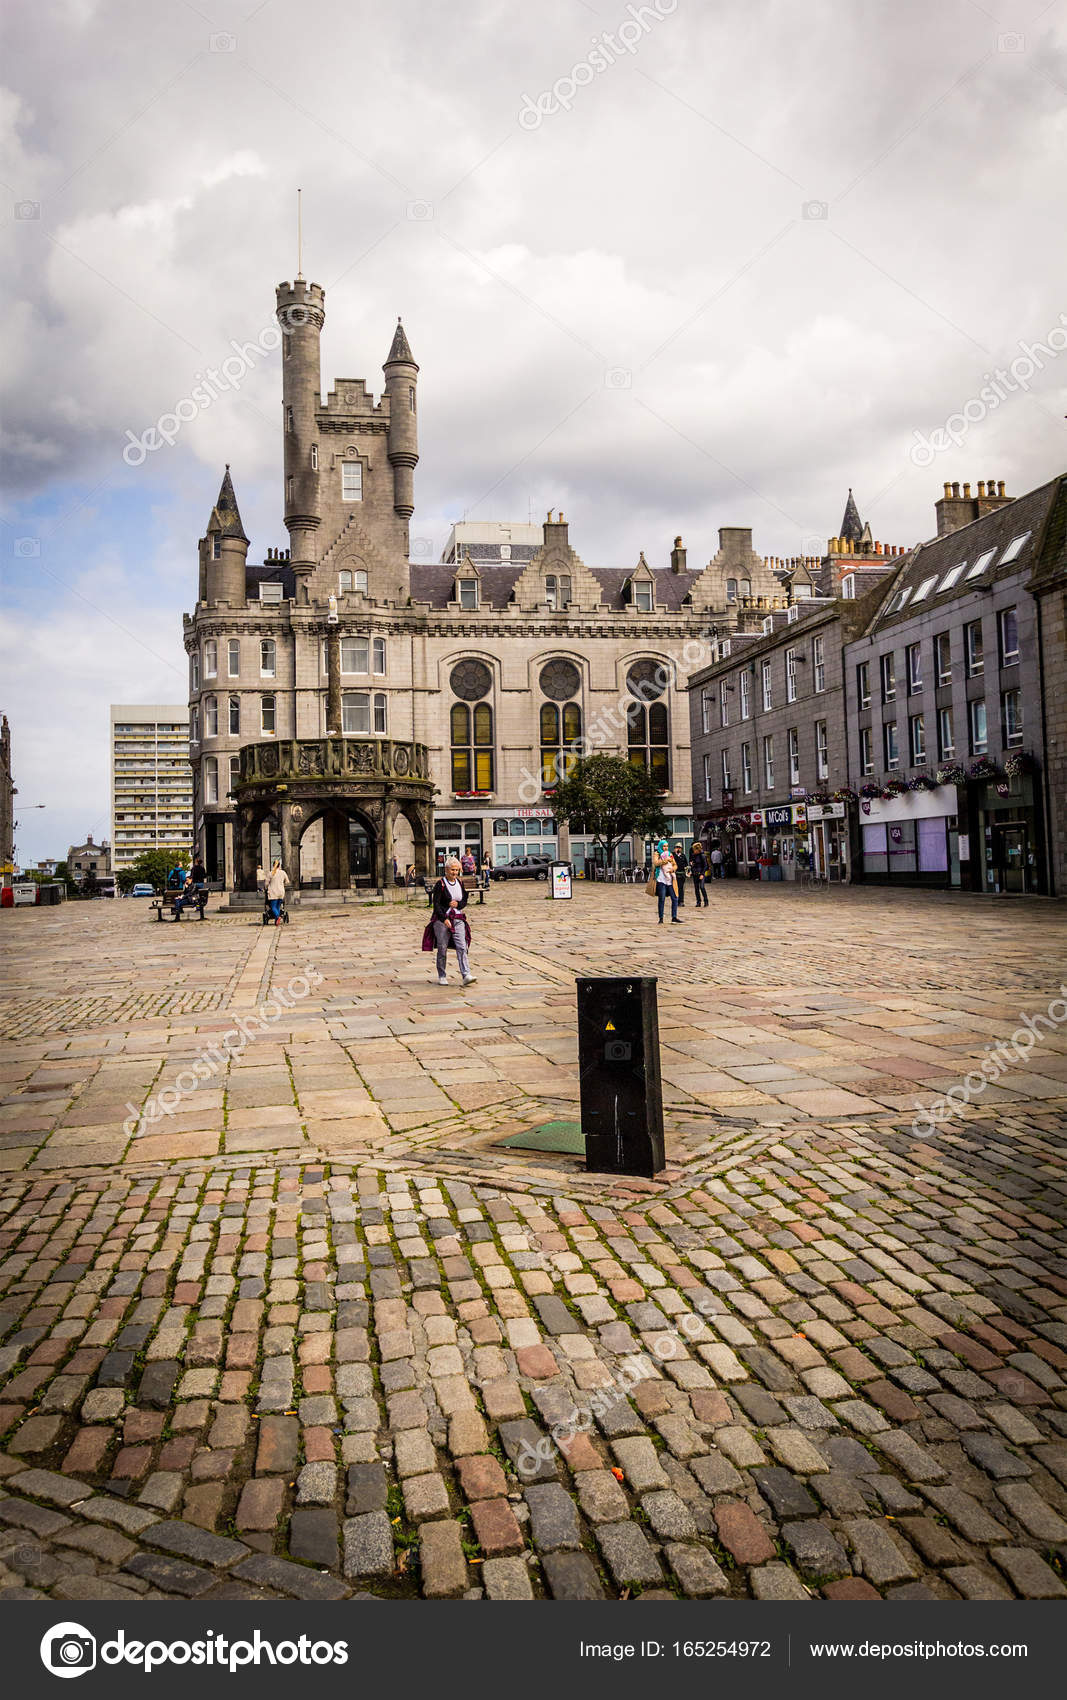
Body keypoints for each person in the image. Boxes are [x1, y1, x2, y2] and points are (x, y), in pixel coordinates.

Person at [431, 856, 475, 985]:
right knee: (442, 948)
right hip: (442, 920)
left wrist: (459, 904)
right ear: (446, 870)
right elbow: (436, 904)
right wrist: (443, 919)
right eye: (452, 870)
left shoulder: (460, 883)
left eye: (456, 870)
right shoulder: (441, 884)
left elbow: (464, 900)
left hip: (458, 918)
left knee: (462, 945)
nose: (454, 872)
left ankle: (466, 974)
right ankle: (442, 975)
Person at [652, 839, 680, 924]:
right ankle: (661, 918)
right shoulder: (657, 854)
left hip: (670, 880)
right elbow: (656, 863)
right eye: (664, 846)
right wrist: (665, 860)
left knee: (675, 898)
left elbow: (675, 865)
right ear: (661, 846)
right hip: (661, 880)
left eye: (667, 846)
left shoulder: (670, 854)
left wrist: (673, 869)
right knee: (662, 899)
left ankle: (674, 917)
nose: (665, 848)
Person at [265, 858, 289, 926]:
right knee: (278, 906)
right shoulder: (283, 872)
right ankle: (276, 921)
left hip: (273, 892)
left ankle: (278, 917)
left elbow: (266, 883)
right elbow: (287, 881)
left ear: (273, 865)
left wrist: (266, 888)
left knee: (273, 907)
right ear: (279, 865)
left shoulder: (270, 873)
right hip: (281, 892)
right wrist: (282, 883)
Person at [689, 839, 709, 907]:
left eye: (694, 850)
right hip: (695, 873)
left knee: (702, 887)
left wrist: (702, 874)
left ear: (697, 849)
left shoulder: (702, 856)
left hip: (701, 873)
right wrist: (692, 865)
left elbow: (706, 866)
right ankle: (698, 902)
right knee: (696, 888)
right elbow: (693, 864)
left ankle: (706, 901)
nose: (693, 851)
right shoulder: (693, 855)